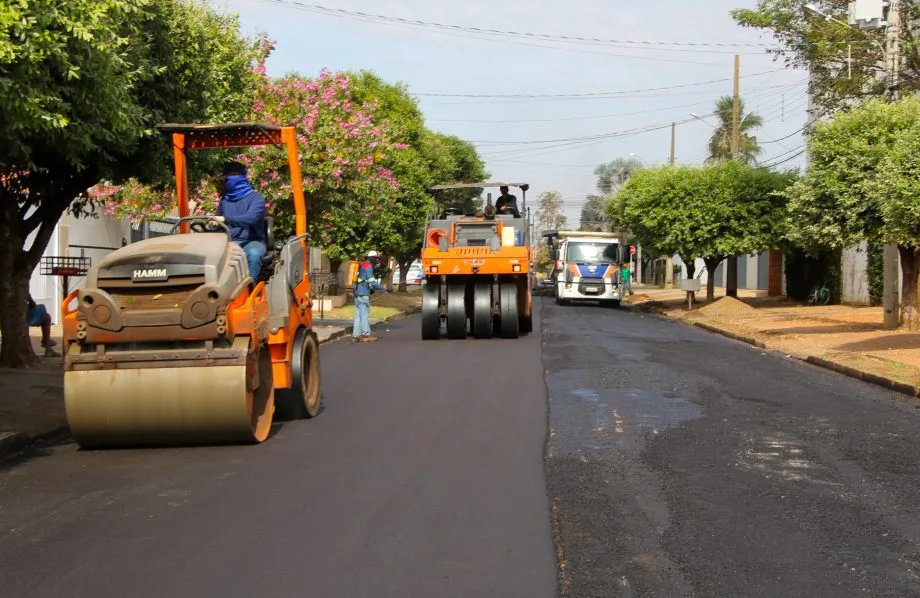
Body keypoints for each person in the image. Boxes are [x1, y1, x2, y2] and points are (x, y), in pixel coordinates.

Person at [215, 161, 267, 281]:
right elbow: (218, 222)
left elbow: (251, 219)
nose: (224, 184)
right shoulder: (224, 201)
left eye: (226, 180)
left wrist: (226, 219)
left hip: (252, 240)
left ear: (235, 180)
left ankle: (248, 291)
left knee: (254, 254)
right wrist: (212, 225)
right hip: (229, 241)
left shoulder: (256, 199)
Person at [353, 250, 387, 342]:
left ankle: (356, 335)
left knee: (358, 315)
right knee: (364, 314)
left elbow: (364, 280)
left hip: (357, 292)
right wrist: (383, 289)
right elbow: (372, 281)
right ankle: (366, 335)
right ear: (372, 258)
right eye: (376, 258)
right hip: (363, 293)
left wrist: (370, 288)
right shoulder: (368, 266)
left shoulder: (363, 265)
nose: (377, 260)